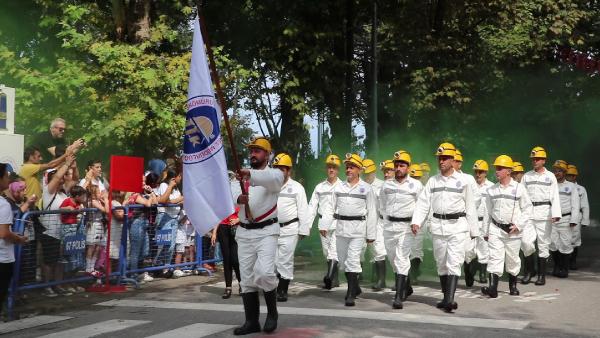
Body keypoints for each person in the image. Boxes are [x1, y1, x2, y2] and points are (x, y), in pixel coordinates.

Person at [411, 142, 478, 313]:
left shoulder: (465, 180)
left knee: (453, 262)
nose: (441, 161)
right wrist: (417, 221)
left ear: (452, 159)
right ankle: (445, 296)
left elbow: (470, 207)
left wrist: (474, 231)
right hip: (438, 227)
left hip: (457, 227)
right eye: (439, 158)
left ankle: (449, 299)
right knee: (441, 263)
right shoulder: (433, 181)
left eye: (444, 158)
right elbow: (423, 203)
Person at [233, 136, 284, 335]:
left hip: (266, 232)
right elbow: (229, 194)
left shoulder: (275, 174)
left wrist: (249, 175)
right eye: (252, 150)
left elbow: (272, 181)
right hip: (244, 232)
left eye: (258, 151)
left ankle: (272, 314)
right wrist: (238, 197)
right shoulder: (239, 177)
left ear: (268, 155)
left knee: (264, 273)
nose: (253, 154)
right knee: (246, 280)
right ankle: (251, 321)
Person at [324, 153, 377, 307]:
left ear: (359, 169)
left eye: (352, 167)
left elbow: (372, 212)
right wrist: (324, 225)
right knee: (342, 262)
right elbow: (329, 208)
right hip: (341, 229)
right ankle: (356, 287)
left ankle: (350, 294)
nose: (348, 170)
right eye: (347, 167)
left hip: (357, 230)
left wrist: (371, 234)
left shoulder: (366, 189)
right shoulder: (338, 187)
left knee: (353, 260)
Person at [481, 155, 532, 298]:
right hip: (496, 228)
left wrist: (519, 225)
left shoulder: (519, 188)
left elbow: (528, 209)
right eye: (496, 168)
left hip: (512, 231)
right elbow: (487, 212)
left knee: (512, 259)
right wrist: (486, 231)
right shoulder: (492, 190)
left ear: (509, 171)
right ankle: (493, 288)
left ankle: (513, 286)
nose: (496, 171)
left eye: (499, 168)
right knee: (494, 258)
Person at [379, 150, 422, 309]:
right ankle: (407, 286)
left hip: (406, 227)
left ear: (408, 167)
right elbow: (382, 205)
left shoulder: (416, 185)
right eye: (396, 165)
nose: (398, 168)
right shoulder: (386, 185)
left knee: (402, 258)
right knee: (393, 259)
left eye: (402, 165)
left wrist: (416, 222)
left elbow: (421, 206)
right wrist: (386, 219)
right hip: (389, 226)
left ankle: (398, 296)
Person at [272, 153, 310, 302]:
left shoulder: (296, 187)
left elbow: (303, 209)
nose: (279, 172)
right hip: (272, 228)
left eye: (282, 169)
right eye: (277, 169)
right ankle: (275, 285)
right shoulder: (270, 186)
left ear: (289, 171)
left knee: (285, 260)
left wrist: (303, 229)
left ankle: (282, 290)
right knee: (273, 261)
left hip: (290, 228)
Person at [522, 146, 561, 286]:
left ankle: (541, 275)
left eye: (537, 159)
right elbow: (522, 196)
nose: (534, 161)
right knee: (526, 243)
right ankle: (529, 271)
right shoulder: (526, 176)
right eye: (533, 159)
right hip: (529, 213)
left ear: (544, 160)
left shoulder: (550, 176)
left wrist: (556, 213)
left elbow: (555, 195)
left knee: (543, 245)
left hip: (544, 213)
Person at [39, 155, 76, 297]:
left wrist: (72, 162)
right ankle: (47, 286)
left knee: (60, 261)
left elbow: (74, 180)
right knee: (49, 261)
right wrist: (66, 163)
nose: (60, 179)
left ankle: (57, 285)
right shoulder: (48, 192)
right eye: (56, 177)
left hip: (62, 232)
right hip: (49, 232)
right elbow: (56, 178)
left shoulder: (62, 193)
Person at [307, 155, 341, 290]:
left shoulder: (343, 186)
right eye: (329, 167)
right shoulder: (319, 187)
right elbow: (312, 207)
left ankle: (329, 278)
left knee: (334, 251)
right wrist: (307, 226)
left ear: (338, 170)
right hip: (322, 223)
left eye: (334, 168)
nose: (331, 170)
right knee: (327, 252)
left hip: (336, 222)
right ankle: (335, 278)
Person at [0, 163, 28, 316]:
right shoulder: (3, 205)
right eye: (6, 176)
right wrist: (19, 238)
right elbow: (4, 233)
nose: (8, 179)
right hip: (3, 259)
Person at [452, 149, 481, 288]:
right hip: (450, 222)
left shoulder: (468, 178)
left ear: (460, 163)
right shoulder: (442, 178)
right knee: (455, 251)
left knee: (469, 250)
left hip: (465, 218)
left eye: (456, 161)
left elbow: (477, 197)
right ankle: (452, 280)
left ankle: (469, 271)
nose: (454, 163)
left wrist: (466, 208)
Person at [126, 173, 159, 283]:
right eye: (142, 181)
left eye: (145, 181)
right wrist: (149, 195)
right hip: (136, 223)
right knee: (135, 251)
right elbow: (148, 204)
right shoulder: (134, 194)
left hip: (144, 223)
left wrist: (151, 192)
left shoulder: (144, 193)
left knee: (145, 251)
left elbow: (155, 203)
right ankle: (132, 274)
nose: (144, 183)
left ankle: (137, 272)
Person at [549, 160, 580, 278]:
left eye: (559, 171)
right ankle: (557, 265)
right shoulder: (551, 186)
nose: (557, 173)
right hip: (552, 219)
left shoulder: (571, 187)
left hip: (566, 219)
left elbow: (575, 205)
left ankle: (564, 268)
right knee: (552, 243)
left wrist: (574, 220)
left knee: (566, 244)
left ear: (564, 172)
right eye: (555, 171)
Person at [361, 158, 387, 291]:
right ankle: (372, 275)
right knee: (368, 250)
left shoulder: (382, 185)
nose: (366, 176)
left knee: (379, 250)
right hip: (362, 221)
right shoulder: (360, 185)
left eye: (368, 173)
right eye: (364, 174)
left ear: (374, 172)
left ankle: (381, 280)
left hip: (378, 221)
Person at [472, 160, 494, 283]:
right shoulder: (470, 185)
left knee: (484, 248)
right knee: (470, 249)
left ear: (485, 172)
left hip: (485, 221)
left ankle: (482, 273)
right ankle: (470, 270)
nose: (478, 174)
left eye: (480, 172)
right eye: (476, 172)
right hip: (472, 221)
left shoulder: (491, 187)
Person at [212, 206, 241, 299]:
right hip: (223, 228)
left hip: (236, 227)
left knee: (235, 260)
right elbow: (218, 216)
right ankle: (228, 287)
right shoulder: (222, 197)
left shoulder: (238, 195)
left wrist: (238, 219)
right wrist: (214, 232)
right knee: (227, 259)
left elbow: (248, 213)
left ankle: (242, 285)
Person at [565, 164, 589, 270]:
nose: (569, 177)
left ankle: (572, 261)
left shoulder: (581, 189)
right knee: (564, 239)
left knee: (575, 239)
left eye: (571, 175)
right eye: (567, 175)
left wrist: (585, 220)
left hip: (577, 216)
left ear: (575, 176)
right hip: (564, 215)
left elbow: (585, 205)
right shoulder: (562, 187)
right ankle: (563, 262)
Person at [408, 163, 426, 283]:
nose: (416, 180)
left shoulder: (423, 190)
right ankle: (407, 275)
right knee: (406, 250)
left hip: (419, 223)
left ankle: (413, 274)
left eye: (417, 177)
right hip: (405, 222)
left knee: (416, 249)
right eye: (413, 177)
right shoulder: (406, 187)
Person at [85, 185, 109, 277]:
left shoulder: (98, 201)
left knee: (98, 247)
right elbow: (105, 210)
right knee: (92, 246)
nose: (100, 194)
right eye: (98, 192)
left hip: (100, 225)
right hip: (94, 225)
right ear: (93, 194)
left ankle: (92, 268)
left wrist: (103, 201)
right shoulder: (93, 201)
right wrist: (106, 200)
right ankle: (88, 268)